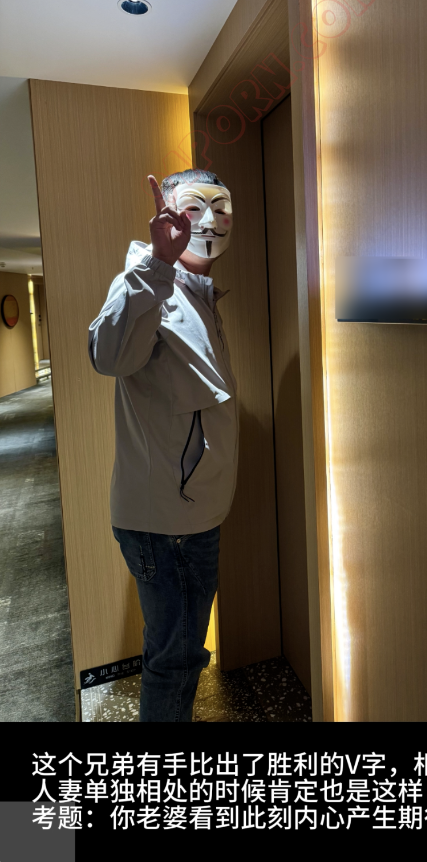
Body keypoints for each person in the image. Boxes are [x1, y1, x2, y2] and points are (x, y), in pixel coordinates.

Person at [88, 168, 237, 722]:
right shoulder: (150, 282)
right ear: (167, 216)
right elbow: (107, 355)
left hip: (189, 514)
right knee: (176, 661)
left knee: (179, 654)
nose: (211, 219)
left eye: (222, 206)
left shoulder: (198, 292)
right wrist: (156, 265)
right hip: (168, 526)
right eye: (194, 206)